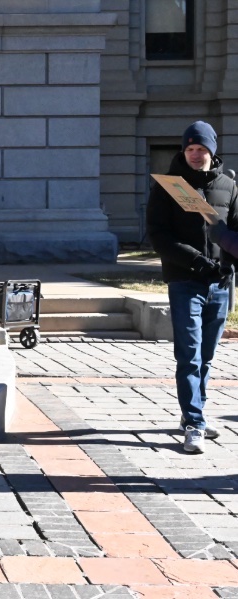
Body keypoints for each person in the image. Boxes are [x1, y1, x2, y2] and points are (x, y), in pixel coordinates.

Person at [146, 120, 238, 453]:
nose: (195, 154)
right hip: (185, 281)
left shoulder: (229, 186)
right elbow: (159, 236)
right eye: (190, 148)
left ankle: (191, 414)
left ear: (212, 151)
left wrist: (228, 269)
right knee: (190, 355)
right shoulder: (169, 187)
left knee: (208, 357)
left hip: (221, 285)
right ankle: (195, 422)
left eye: (201, 149)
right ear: (183, 151)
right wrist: (196, 261)